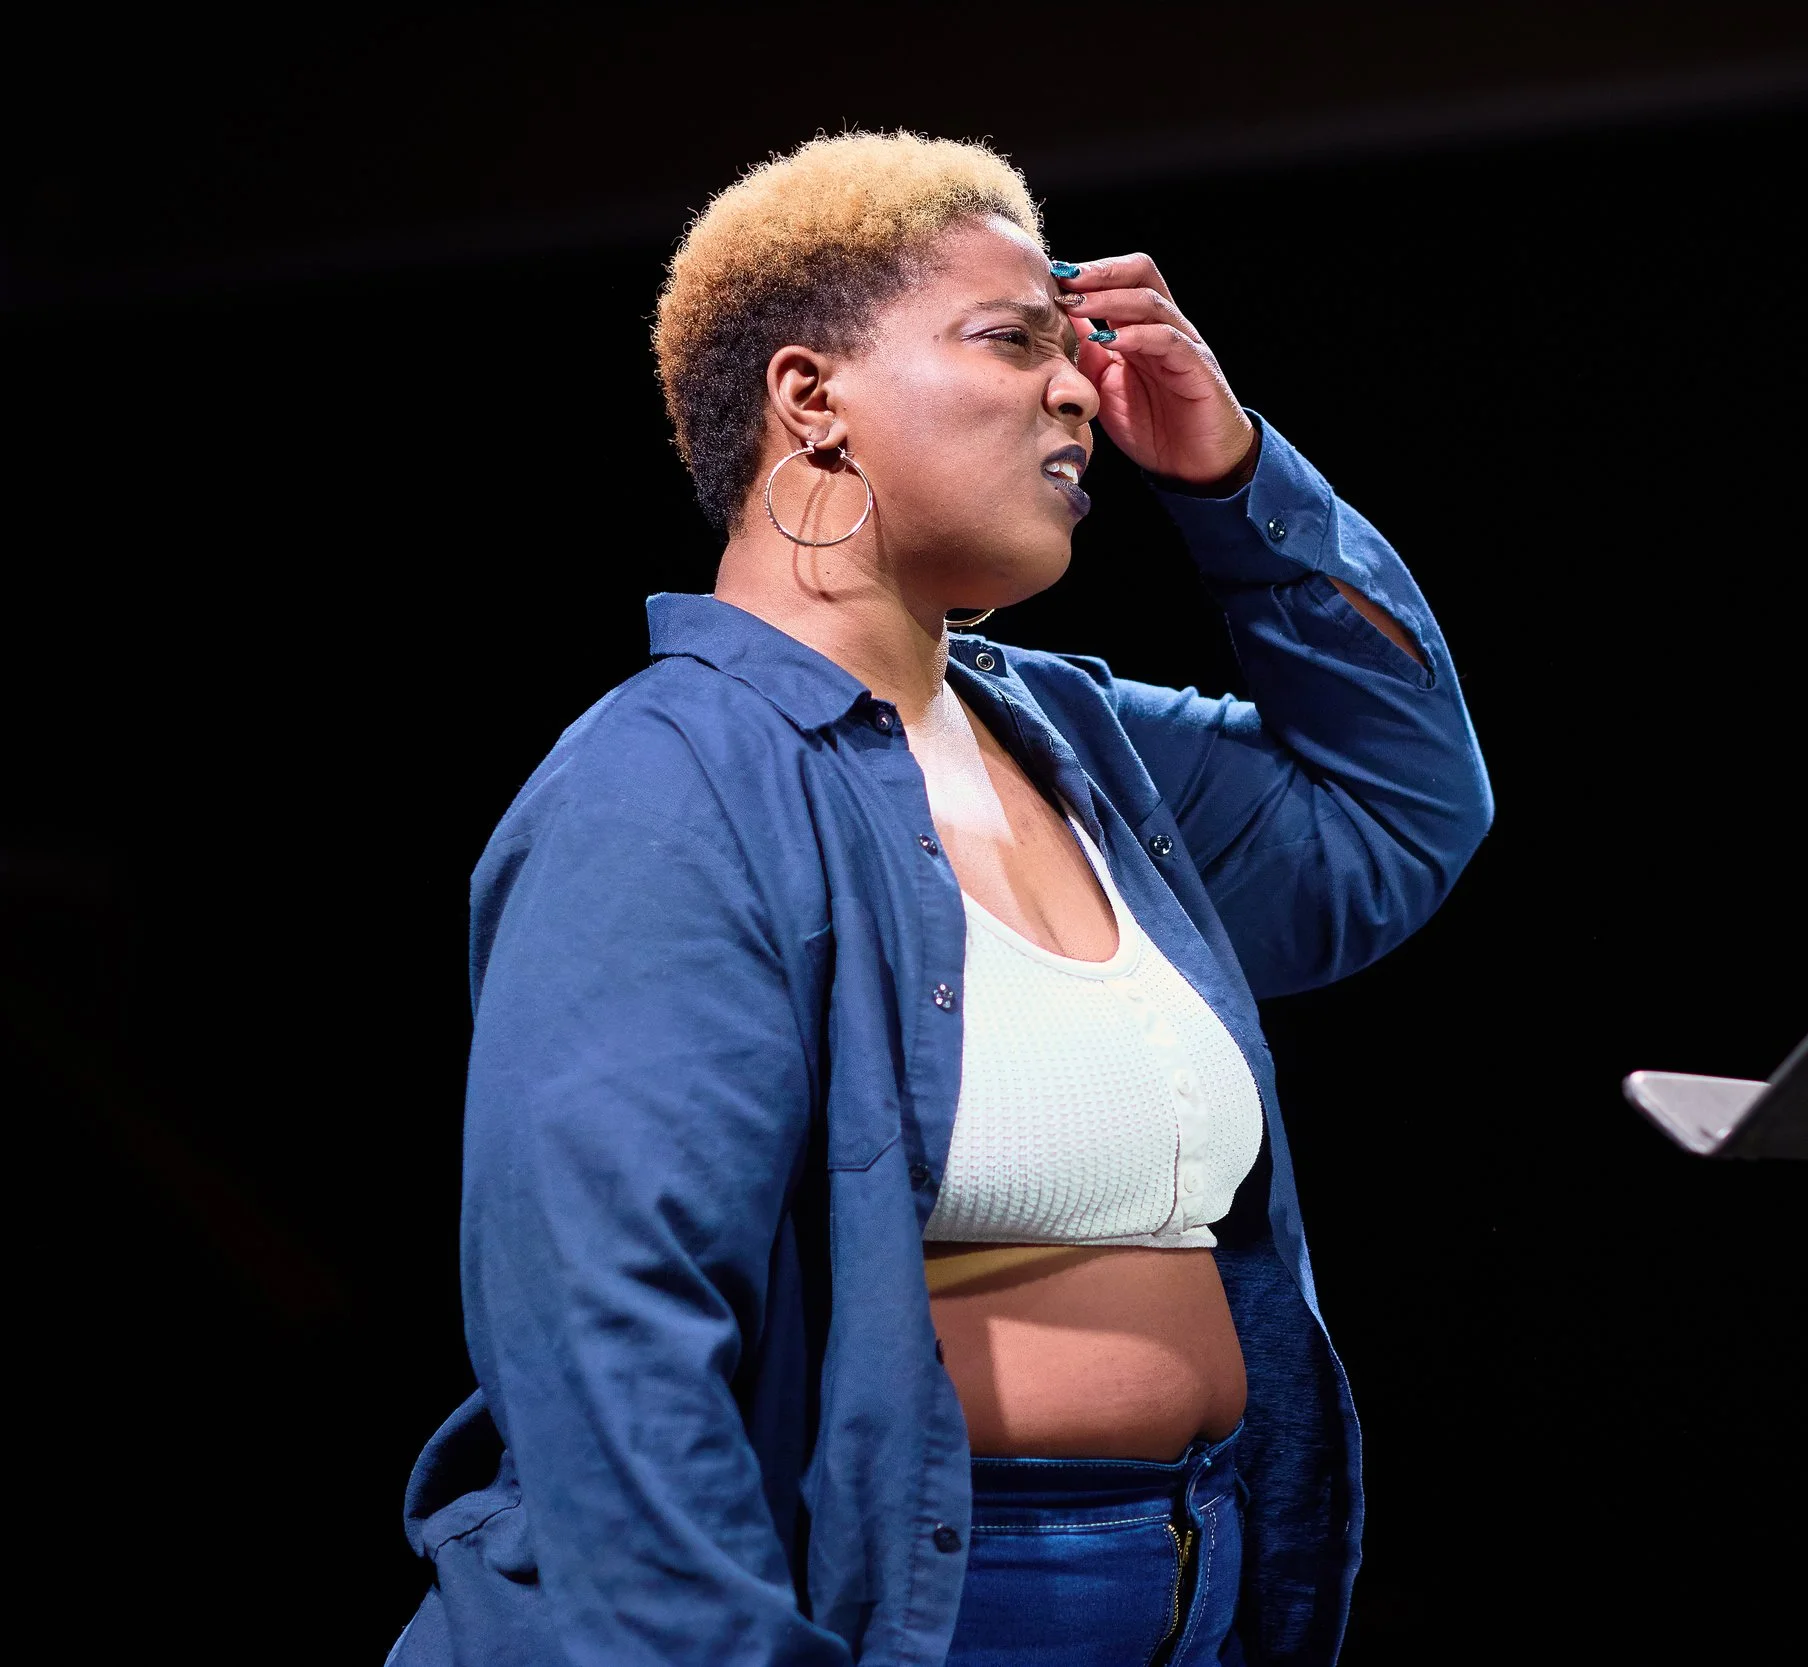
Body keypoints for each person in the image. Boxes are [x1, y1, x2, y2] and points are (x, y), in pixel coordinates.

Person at [392, 131, 1492, 1667]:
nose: (1076, 390)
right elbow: (607, 1342)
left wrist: (1240, 483)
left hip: (1200, 1574)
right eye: (1012, 339)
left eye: (1071, 344)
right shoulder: (665, 783)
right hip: (900, 1615)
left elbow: (1399, 814)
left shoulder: (1070, 733)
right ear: (810, 398)